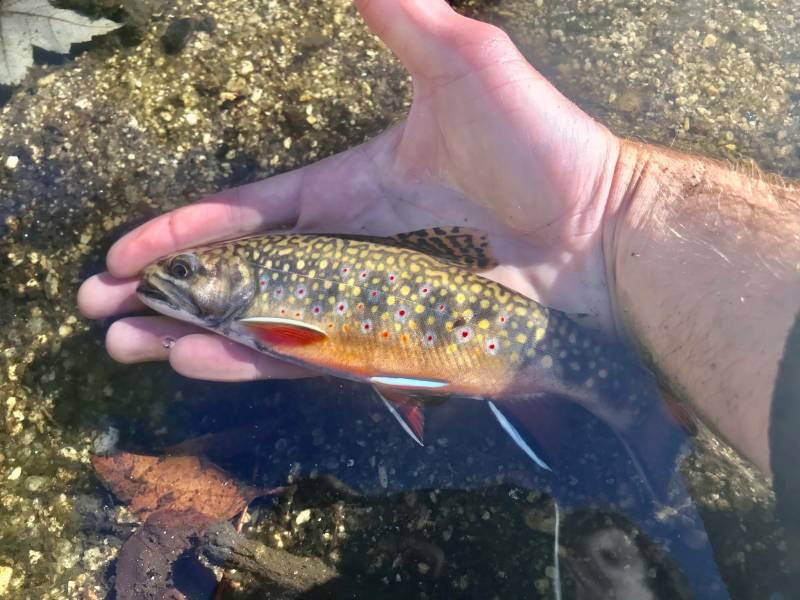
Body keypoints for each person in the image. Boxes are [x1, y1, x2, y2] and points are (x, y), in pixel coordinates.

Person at [78, 0, 800, 482]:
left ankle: (642, 417)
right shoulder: (261, 298)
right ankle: (638, 414)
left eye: (190, 267)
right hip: (479, 346)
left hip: (478, 345)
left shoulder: (269, 317)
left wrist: (616, 208)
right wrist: (615, 214)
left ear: (243, 273)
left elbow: (298, 341)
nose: (168, 276)